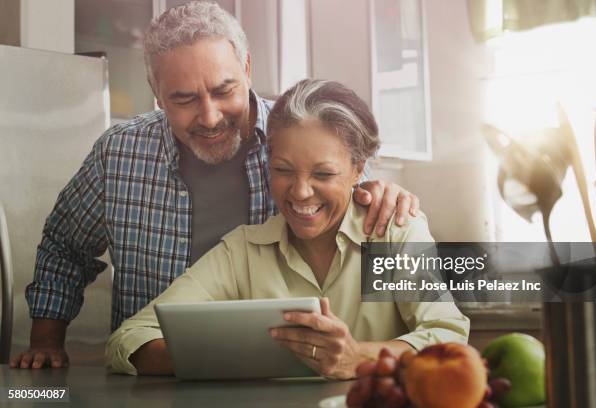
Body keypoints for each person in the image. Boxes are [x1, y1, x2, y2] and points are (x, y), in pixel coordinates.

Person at [11, 1, 420, 369]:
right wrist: (46, 342)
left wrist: (387, 198)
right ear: (156, 93)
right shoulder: (119, 153)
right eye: (184, 99)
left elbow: (363, 220)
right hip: (156, 375)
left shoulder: (302, 134)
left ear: (247, 69)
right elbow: (65, 246)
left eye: (224, 91)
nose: (208, 117)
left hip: (286, 381)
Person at [106, 79, 469, 379]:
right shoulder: (242, 252)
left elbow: (448, 341)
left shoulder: (395, 234)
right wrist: (234, 358)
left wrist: (359, 357)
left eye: (323, 174)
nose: (299, 192)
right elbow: (131, 338)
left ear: (359, 169)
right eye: (282, 170)